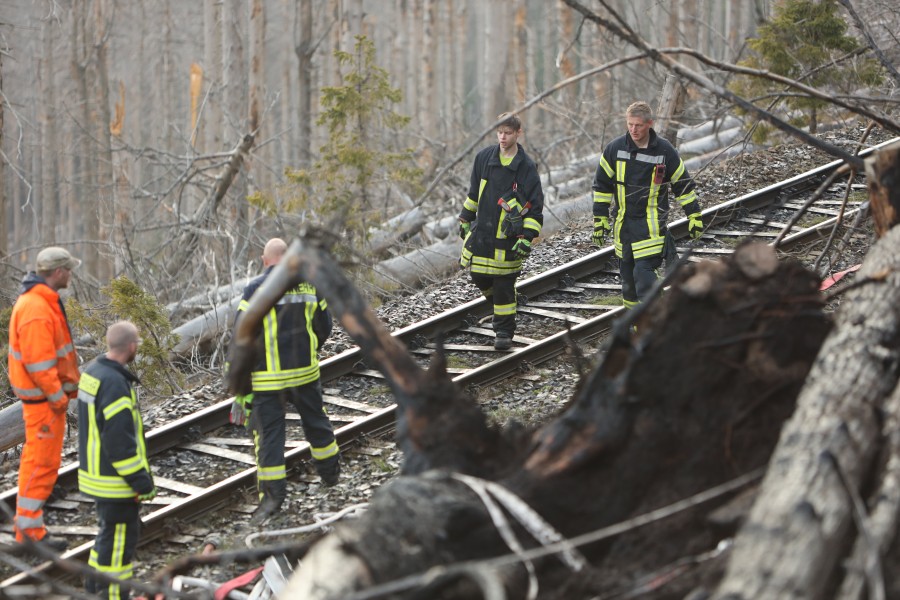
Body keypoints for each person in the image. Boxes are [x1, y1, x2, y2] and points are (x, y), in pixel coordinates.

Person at [228, 237, 339, 523]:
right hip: (304, 374)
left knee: (270, 439)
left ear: (265, 261)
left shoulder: (254, 289)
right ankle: (331, 476)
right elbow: (323, 325)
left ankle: (274, 499)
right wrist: (311, 351)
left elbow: (241, 336)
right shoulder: (311, 284)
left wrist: (241, 385)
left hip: (267, 381)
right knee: (317, 424)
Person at [591, 101, 704, 308]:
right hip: (623, 228)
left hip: (651, 228)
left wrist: (694, 216)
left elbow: (683, 185)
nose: (633, 130)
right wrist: (600, 220)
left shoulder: (664, 151)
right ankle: (637, 327)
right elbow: (602, 188)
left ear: (650, 124)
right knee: (628, 285)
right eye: (630, 124)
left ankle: (657, 321)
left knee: (643, 276)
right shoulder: (614, 149)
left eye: (638, 125)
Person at [8, 247, 82, 551]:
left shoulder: (42, 301)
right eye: (69, 270)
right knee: (41, 464)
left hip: (44, 402)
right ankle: (28, 533)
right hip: (44, 404)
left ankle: (30, 528)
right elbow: (39, 364)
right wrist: (57, 397)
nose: (71, 275)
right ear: (59, 272)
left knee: (39, 462)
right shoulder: (37, 308)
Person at [77, 320, 155, 599]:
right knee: (120, 548)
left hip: (95, 475)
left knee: (106, 538)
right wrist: (141, 482)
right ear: (131, 347)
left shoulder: (92, 372)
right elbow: (120, 445)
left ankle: (93, 588)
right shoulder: (115, 385)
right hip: (114, 482)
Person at [458, 112, 544, 350]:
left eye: (507, 133)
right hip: (483, 235)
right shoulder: (484, 158)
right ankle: (501, 311)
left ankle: (504, 332)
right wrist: (465, 217)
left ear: (518, 133)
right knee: (479, 276)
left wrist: (527, 238)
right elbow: (474, 193)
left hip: (508, 238)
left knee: (504, 284)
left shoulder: (526, 167)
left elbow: (535, 208)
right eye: (499, 132)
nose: (503, 137)